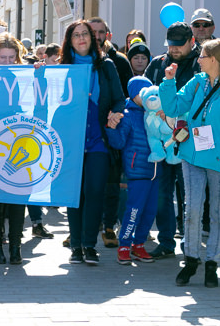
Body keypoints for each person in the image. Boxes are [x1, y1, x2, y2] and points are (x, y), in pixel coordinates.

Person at [160, 38, 220, 287]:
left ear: (213, 59)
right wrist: (169, 81)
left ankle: (212, 264)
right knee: (192, 210)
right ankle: (191, 260)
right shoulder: (197, 82)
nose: (198, 59)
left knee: (217, 214)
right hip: (193, 154)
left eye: (202, 56)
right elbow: (173, 106)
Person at [59, 20, 125, 265]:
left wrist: (116, 114)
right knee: (74, 195)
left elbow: (119, 99)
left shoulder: (106, 66)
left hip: (98, 139)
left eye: (85, 34)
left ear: (93, 38)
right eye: (76, 35)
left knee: (95, 192)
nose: (81, 38)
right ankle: (76, 245)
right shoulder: (62, 67)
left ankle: (89, 244)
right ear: (70, 40)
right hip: (70, 141)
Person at [144, 21, 201, 259]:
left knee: (190, 194)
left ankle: (190, 243)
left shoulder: (201, 65)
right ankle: (166, 241)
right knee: (162, 193)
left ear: (192, 42)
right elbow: (144, 94)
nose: (174, 49)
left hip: (190, 140)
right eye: (171, 45)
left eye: (179, 45)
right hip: (162, 140)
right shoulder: (158, 65)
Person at [0, 34, 31, 264]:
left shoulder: (23, 76)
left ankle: (15, 246)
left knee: (18, 197)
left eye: (12, 57)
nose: (8, 62)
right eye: (3, 57)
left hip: (19, 140)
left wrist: (40, 71)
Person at [88, 17, 132, 248]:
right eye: (91, 32)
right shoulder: (79, 60)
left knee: (112, 183)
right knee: (86, 185)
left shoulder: (119, 62)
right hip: (87, 133)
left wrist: (116, 117)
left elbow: (124, 95)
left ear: (108, 35)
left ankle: (108, 227)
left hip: (111, 131)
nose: (96, 36)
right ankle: (86, 227)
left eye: (100, 32)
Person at [105, 76, 159, 265]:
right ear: (134, 94)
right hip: (137, 172)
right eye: (142, 92)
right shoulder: (126, 114)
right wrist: (111, 128)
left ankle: (139, 244)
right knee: (134, 210)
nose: (147, 96)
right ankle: (124, 246)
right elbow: (118, 142)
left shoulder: (154, 112)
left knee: (150, 211)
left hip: (155, 171)